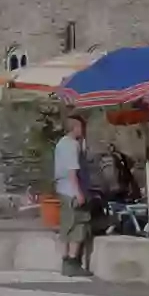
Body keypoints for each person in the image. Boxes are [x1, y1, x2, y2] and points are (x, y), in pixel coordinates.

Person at [53, 115, 94, 277]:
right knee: (79, 226)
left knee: (66, 226)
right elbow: (73, 172)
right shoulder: (71, 145)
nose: (84, 130)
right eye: (82, 127)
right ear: (76, 127)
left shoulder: (62, 143)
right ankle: (73, 262)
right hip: (72, 192)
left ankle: (65, 261)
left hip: (63, 190)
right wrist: (79, 193)